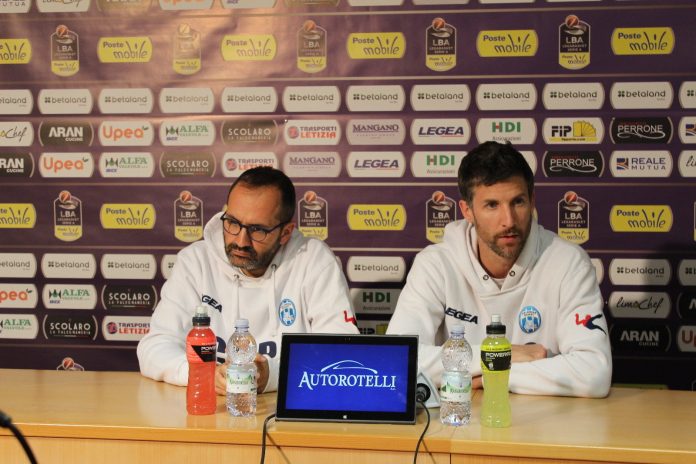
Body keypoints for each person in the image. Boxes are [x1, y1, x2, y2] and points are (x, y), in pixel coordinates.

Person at [387, 141, 611, 397]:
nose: (509, 221)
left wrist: (492, 373)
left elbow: (594, 373)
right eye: (492, 205)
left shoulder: (568, 262)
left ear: (532, 200)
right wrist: (496, 354)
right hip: (458, 425)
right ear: (467, 211)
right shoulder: (435, 264)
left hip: (544, 426)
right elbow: (397, 359)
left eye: (518, 202)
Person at [138, 167, 358, 394]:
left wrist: (271, 375)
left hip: (284, 415)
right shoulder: (196, 261)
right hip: (212, 412)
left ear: (285, 233)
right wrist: (205, 375)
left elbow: (341, 353)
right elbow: (154, 347)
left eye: (257, 230)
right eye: (232, 223)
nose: (241, 240)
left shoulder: (314, 261)